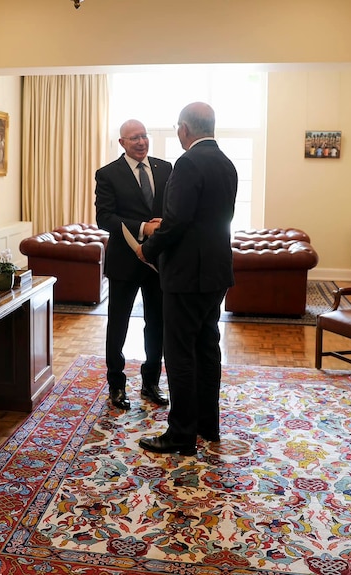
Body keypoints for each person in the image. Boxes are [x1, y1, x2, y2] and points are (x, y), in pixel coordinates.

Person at [135, 102, 238, 455]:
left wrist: (147, 250)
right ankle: (208, 425)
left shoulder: (188, 163)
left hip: (187, 277)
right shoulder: (226, 163)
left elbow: (177, 222)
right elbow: (210, 219)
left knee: (179, 354)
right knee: (207, 348)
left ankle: (180, 434)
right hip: (217, 272)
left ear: (183, 129)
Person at [94, 119, 172, 410]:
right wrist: (143, 227)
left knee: (157, 324)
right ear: (122, 143)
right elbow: (105, 218)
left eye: (144, 136)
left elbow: (172, 209)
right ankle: (116, 385)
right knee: (118, 325)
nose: (141, 142)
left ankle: (151, 382)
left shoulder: (166, 169)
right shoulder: (108, 174)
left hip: (158, 261)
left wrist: (164, 224)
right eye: (134, 138)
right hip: (124, 262)